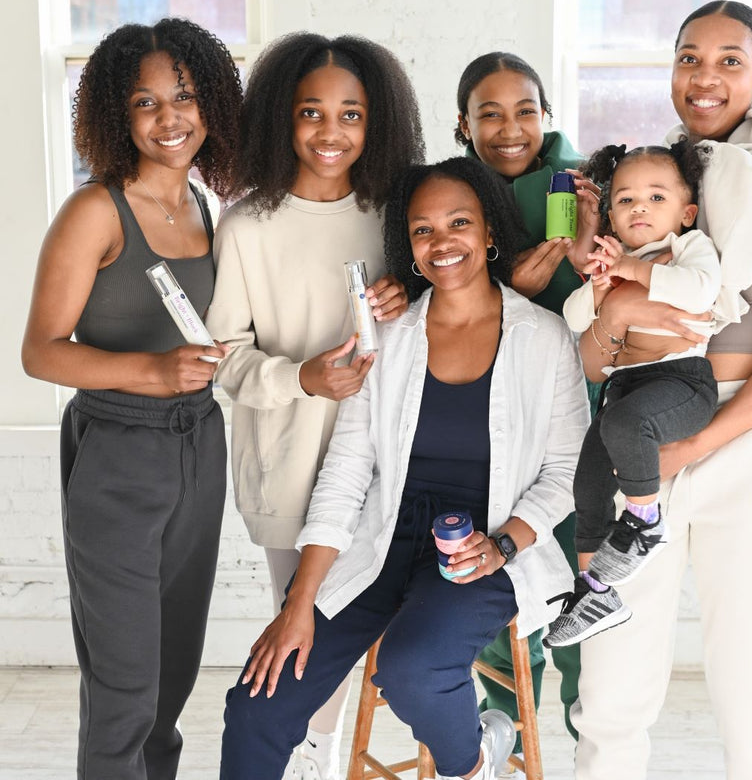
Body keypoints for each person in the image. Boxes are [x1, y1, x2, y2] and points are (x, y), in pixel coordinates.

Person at [218, 157, 591, 780]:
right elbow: (346, 472)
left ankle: (474, 760)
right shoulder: (388, 339)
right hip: (383, 537)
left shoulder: (545, 337)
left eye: (460, 223)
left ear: (490, 232)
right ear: (410, 249)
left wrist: (503, 544)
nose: (443, 242)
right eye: (423, 230)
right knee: (258, 704)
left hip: (485, 544)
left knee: (412, 669)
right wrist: (298, 602)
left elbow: (566, 470)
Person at [571, 0, 752, 780]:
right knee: (611, 682)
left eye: (728, 59)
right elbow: (591, 354)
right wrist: (613, 309)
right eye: (688, 57)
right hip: (639, 422)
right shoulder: (653, 186)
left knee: (749, 686)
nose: (705, 76)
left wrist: (701, 444)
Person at [21, 18, 243, 780]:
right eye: (144, 102)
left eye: (183, 96)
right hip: (117, 450)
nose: (168, 117)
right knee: (124, 687)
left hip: (199, 447)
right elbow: (39, 351)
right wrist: (152, 374)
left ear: (210, 102)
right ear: (117, 114)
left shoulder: (209, 211)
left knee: (172, 679)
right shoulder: (94, 212)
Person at [205, 32, 425, 780]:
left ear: (378, 121)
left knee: (387, 640)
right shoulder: (245, 228)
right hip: (290, 471)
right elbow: (223, 362)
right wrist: (303, 379)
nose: (330, 133)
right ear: (279, 117)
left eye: (351, 114)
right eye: (310, 111)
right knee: (311, 632)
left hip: (392, 469)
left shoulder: (398, 216)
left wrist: (411, 296)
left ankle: (324, 755)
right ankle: (314, 760)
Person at [454, 52, 600, 740]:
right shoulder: (449, 198)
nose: (510, 128)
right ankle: (504, 721)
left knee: (582, 570)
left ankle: (587, 722)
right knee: (503, 574)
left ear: (546, 115)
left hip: (586, 415)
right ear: (463, 123)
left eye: (525, 111)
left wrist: (594, 249)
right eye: (489, 113)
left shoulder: (583, 187)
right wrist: (513, 293)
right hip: (492, 420)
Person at [544, 141, 720, 647]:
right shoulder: (610, 263)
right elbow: (576, 324)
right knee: (588, 483)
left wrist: (634, 272)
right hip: (623, 388)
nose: (638, 207)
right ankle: (594, 590)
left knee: (625, 426)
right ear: (611, 218)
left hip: (681, 381)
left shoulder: (689, 249)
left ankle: (644, 520)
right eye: (624, 200)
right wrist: (599, 290)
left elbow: (699, 292)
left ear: (686, 213)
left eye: (655, 197)